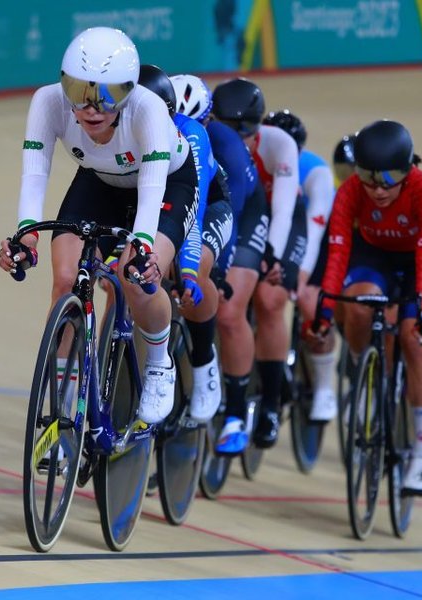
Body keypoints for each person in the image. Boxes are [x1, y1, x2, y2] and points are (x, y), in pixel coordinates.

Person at [0, 27, 199, 434]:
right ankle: (64, 401)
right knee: (66, 280)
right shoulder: (47, 102)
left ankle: (160, 362)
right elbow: (35, 174)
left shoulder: (147, 110)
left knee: (136, 276)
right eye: (78, 90)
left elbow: (152, 185)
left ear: (129, 90)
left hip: (165, 186)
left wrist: (142, 248)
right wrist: (26, 235)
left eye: (108, 94)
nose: (91, 107)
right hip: (100, 182)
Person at [315, 119, 422, 495]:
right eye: (367, 176)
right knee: (356, 304)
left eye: (388, 178)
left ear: (408, 170)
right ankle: (369, 376)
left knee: (413, 338)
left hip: (421, 261)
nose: (377, 188)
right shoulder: (351, 192)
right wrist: (324, 313)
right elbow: (338, 252)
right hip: (373, 255)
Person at [168, 74, 272, 454]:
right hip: (179, 204)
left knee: (226, 307)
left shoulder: (227, 146)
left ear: (209, 121)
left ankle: (234, 410)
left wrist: (219, 271)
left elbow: (232, 212)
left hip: (235, 212)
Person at [135, 64, 234, 422]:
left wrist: (189, 271)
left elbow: (194, 208)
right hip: (158, 202)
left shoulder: (192, 136)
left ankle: (205, 362)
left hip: (205, 207)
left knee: (192, 271)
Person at [211, 77, 304, 450]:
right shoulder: (208, 137)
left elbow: (282, 207)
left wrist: (274, 254)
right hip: (226, 214)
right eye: (227, 130)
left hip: (270, 219)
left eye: (244, 133)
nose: (236, 141)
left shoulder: (278, 144)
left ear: (259, 128)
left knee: (263, 300)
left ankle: (264, 403)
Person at [262, 109, 337, 421]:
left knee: (309, 301)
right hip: (273, 224)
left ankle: (324, 388)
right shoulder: (259, 158)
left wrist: (301, 277)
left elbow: (316, 227)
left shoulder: (316, 172)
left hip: (311, 233)